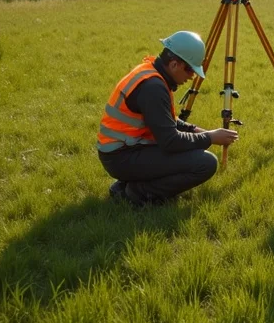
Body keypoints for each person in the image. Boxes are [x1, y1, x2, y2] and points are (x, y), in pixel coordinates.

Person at [96, 31, 238, 206]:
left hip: (123, 152)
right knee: (205, 163)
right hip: (122, 157)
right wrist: (210, 138)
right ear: (174, 64)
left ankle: (128, 184)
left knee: (191, 149)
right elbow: (170, 141)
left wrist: (198, 131)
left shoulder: (152, 74)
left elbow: (167, 122)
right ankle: (138, 193)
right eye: (189, 70)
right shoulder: (153, 88)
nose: (191, 77)